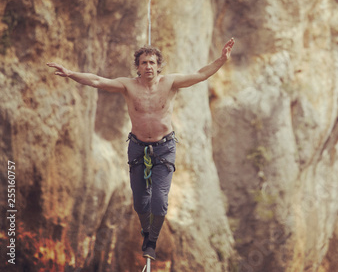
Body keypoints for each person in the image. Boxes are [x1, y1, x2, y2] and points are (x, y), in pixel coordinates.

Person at [47, 38, 235, 260]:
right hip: (137, 148)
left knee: (159, 199)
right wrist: (70, 73)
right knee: (140, 201)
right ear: (137, 67)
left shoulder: (170, 83)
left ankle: (151, 241)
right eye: (144, 63)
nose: (148, 67)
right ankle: (146, 230)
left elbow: (201, 74)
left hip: (164, 148)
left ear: (159, 66)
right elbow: (97, 81)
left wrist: (222, 59)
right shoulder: (128, 86)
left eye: (152, 62)